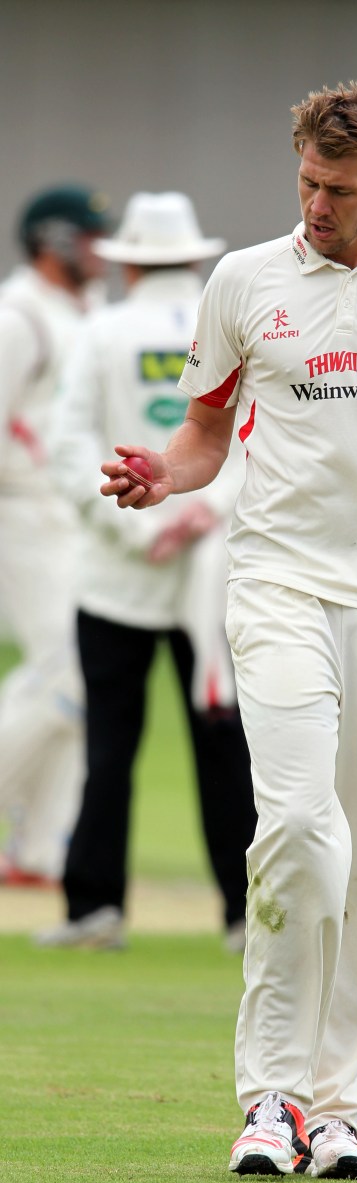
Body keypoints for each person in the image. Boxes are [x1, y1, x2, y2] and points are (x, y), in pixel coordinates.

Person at [100, 82, 357, 1179]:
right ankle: (269, 1096)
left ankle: (334, 1106)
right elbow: (202, 435)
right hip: (275, 583)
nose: (315, 206)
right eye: (303, 183)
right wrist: (160, 473)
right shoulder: (244, 281)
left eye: (337, 191)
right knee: (296, 827)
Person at [37, 192, 257, 952]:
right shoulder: (225, 322)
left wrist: (138, 532)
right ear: (195, 258)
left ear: (128, 263)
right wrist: (207, 511)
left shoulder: (101, 330)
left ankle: (95, 909)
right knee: (225, 746)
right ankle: (246, 913)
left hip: (117, 578)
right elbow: (257, 437)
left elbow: (68, 452)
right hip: (211, 575)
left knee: (109, 750)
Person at [0, 184, 111, 885]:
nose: (103, 249)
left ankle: (39, 849)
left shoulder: (86, 314)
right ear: (55, 239)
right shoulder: (17, 316)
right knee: (63, 671)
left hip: (74, 516)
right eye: (92, 235)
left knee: (82, 679)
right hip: (23, 511)